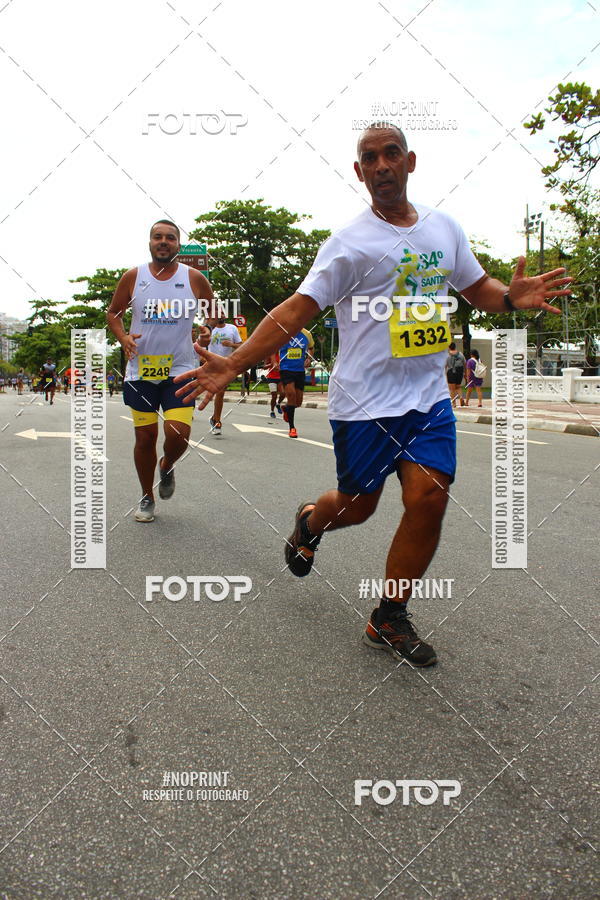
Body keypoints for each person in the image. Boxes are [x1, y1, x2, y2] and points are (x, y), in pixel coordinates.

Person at [175, 123, 571, 666]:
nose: (381, 165)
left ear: (411, 162)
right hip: (364, 402)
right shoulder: (349, 244)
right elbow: (297, 309)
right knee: (357, 508)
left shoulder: (444, 228)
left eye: (391, 154)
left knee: (429, 497)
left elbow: (477, 287)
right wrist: (235, 363)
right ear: (358, 172)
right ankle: (312, 520)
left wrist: (510, 298)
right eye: (369, 158)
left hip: (428, 398)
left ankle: (389, 615)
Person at [106, 220, 213, 523]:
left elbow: (213, 314)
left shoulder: (193, 278)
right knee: (145, 437)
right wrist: (123, 337)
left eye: (170, 237)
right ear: (150, 242)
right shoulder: (133, 277)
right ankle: (146, 495)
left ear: (178, 244)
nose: (163, 241)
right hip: (141, 371)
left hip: (180, 368)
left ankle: (166, 465)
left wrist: (205, 333)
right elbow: (113, 313)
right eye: (158, 237)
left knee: (178, 434)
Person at [207, 316, 242, 434]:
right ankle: (217, 422)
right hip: (213, 364)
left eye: (222, 313)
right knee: (220, 392)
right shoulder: (209, 329)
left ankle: (214, 419)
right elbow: (201, 345)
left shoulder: (232, 328)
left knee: (220, 393)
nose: (220, 316)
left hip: (227, 365)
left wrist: (231, 344)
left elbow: (241, 346)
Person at [278, 327, 314, 438]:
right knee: (291, 395)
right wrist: (275, 362)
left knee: (298, 402)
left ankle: (286, 408)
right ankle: (292, 428)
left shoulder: (306, 334)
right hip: (286, 369)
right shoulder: (284, 332)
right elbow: (273, 348)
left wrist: (309, 358)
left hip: (300, 370)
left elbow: (311, 348)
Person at [445, 342, 465, 407]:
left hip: (451, 372)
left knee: (452, 389)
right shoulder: (461, 354)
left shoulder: (447, 355)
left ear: (449, 347)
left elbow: (445, 366)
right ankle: (461, 397)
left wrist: (445, 374)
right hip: (460, 371)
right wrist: (465, 372)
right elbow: (465, 363)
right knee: (458, 386)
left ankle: (454, 403)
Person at [265, 352, 285, 418]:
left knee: (283, 393)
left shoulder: (282, 354)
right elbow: (265, 366)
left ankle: (278, 404)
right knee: (274, 395)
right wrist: (272, 364)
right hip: (271, 378)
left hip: (280, 377)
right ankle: (272, 411)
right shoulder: (269, 354)